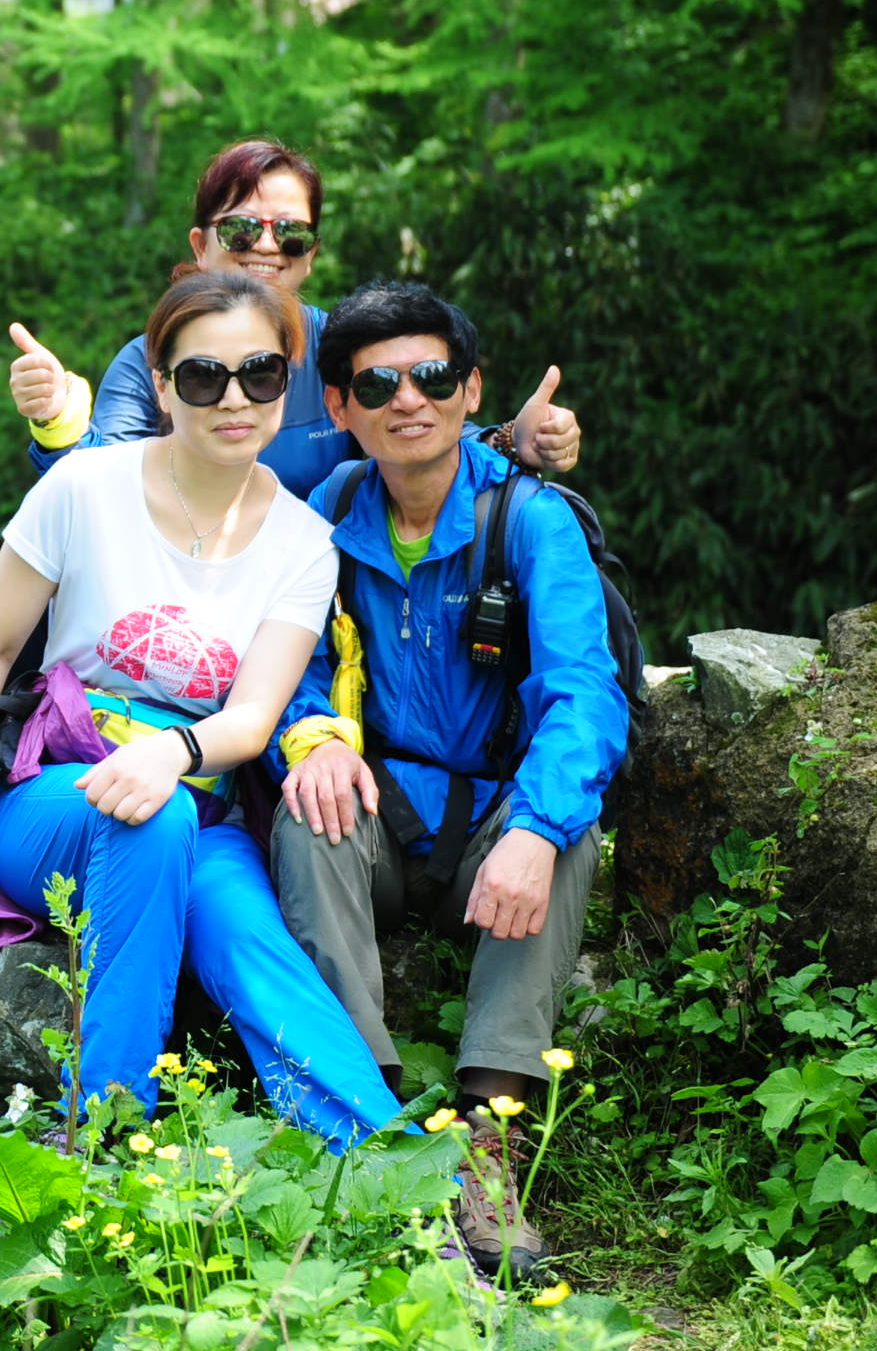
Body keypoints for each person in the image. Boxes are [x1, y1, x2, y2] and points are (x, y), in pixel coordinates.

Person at [0, 270, 403, 1149]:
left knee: (251, 943)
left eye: (260, 375)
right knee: (150, 819)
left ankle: (393, 1172)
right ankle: (106, 1134)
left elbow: (254, 718)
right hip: (51, 794)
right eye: (203, 377)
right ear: (162, 386)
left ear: (286, 384)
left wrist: (171, 753)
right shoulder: (83, 489)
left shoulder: (305, 542)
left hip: (195, 804)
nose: (234, 399)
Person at [265, 279, 628, 1280]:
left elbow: (584, 695)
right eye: (375, 384)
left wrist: (535, 827)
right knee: (305, 812)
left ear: (471, 389)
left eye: (432, 375)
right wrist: (312, 739)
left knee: (566, 831)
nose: (407, 399)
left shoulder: (530, 520)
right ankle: (367, 1119)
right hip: (383, 813)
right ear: (339, 406)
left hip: (489, 819)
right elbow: (287, 666)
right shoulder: (326, 515)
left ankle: (486, 1133)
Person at [3, 139, 585, 490]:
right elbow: (95, 489)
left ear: (309, 256)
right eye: (240, 229)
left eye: (290, 234)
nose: (265, 246)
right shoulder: (150, 360)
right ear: (200, 246)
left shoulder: (338, 347)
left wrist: (514, 442)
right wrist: (58, 420)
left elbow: (418, 429)